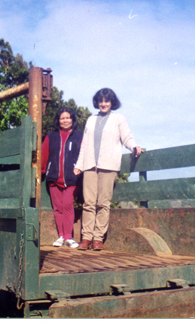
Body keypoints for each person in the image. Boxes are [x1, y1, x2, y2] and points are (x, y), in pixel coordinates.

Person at [74, 88, 143, 250]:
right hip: (90, 165)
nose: (103, 104)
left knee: (103, 203)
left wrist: (133, 146)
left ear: (112, 102)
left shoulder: (118, 118)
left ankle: (98, 238)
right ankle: (86, 238)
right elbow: (84, 145)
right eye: (101, 101)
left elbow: (126, 136)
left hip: (108, 166)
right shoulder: (91, 119)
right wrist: (79, 165)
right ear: (97, 102)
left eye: (107, 101)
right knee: (88, 203)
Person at [41, 107, 84, 248]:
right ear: (58, 120)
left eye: (68, 118)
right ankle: (60, 236)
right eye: (62, 118)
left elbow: (84, 155)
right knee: (58, 208)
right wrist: (41, 172)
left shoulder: (79, 136)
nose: (65, 120)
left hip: (73, 178)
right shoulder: (50, 136)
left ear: (72, 120)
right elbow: (44, 155)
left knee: (67, 205)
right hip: (54, 178)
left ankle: (68, 237)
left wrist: (81, 168)